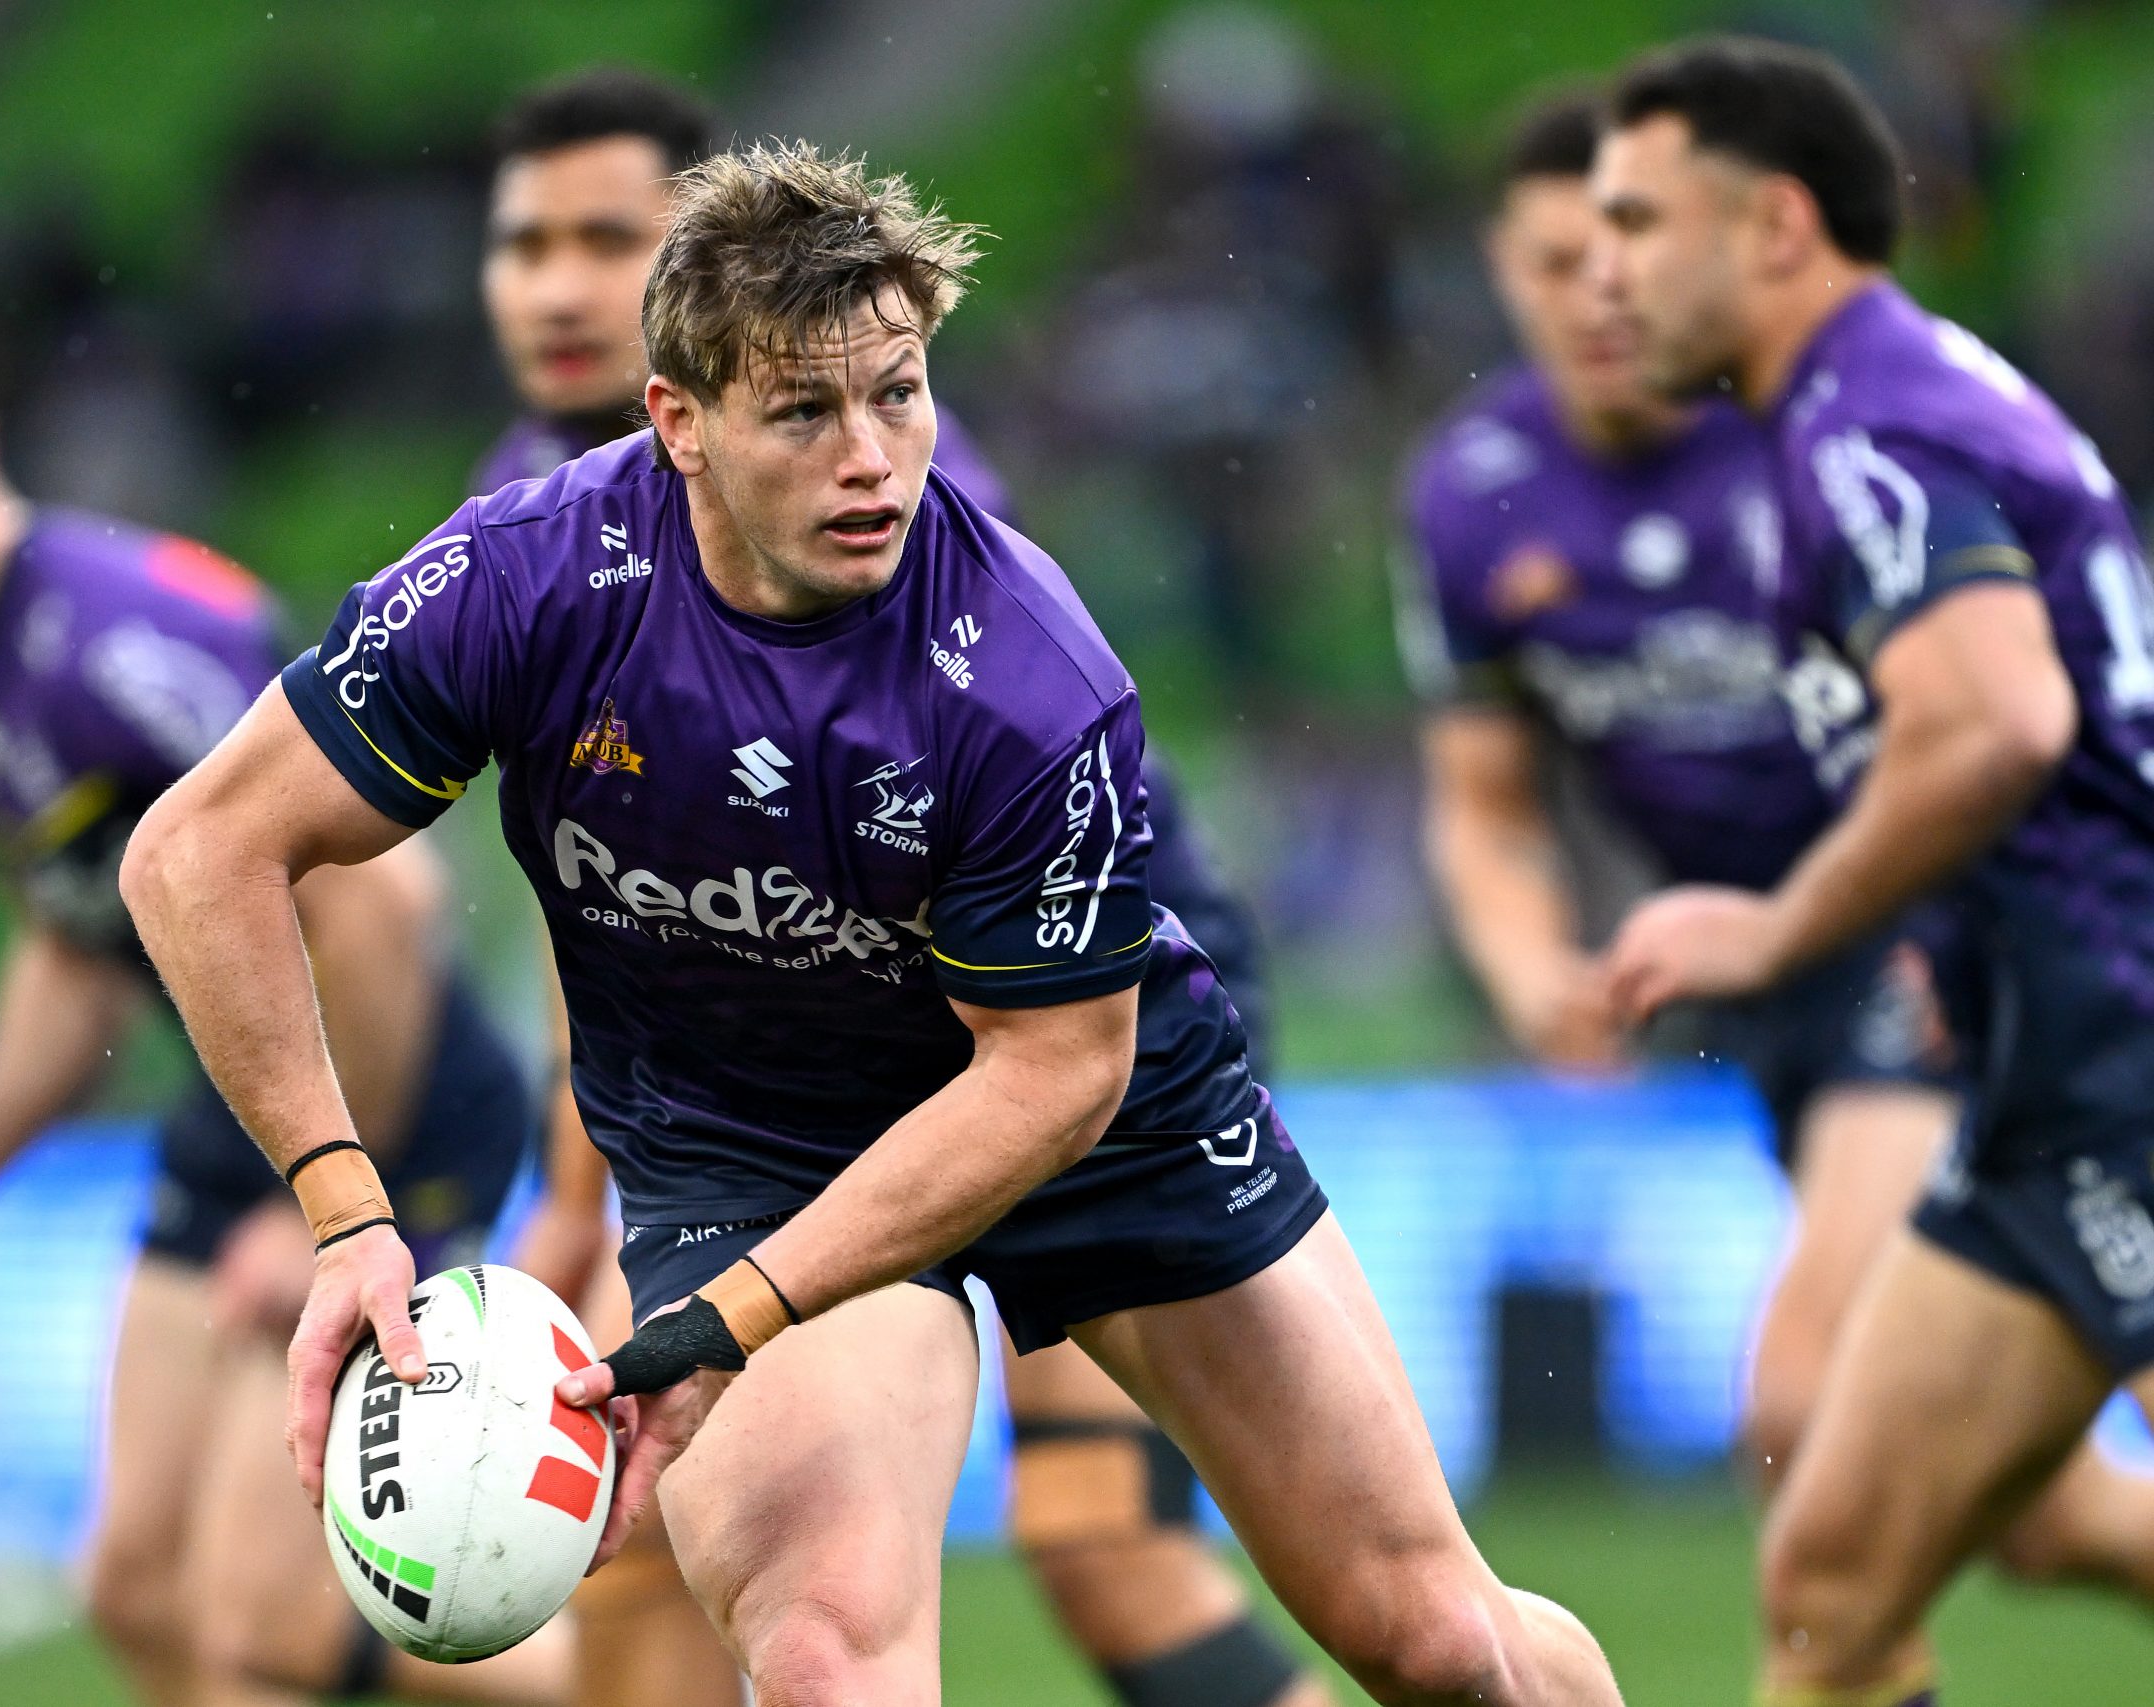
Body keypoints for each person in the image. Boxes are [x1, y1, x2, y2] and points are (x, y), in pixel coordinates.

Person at [124, 139, 1622, 1707]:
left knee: (1441, 1643)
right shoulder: (526, 579)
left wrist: (741, 1315)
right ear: (677, 424)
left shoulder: (1023, 670)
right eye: (804, 410)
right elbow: (194, 855)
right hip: (755, 1139)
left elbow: (1054, 1077)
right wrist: (349, 1215)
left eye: (897, 395)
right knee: (826, 1658)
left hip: (1094, 1113)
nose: (874, 459)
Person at [478, 70, 1318, 1707]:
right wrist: (581, 1203)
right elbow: (614, 879)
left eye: (609, 235)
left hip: (1073, 1015)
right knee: (703, 1564)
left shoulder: (876, 508)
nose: (563, 283)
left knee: (1110, 1548)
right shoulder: (537, 518)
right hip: (818, 1050)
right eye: (525, 243)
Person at [0, 305, 565, 1706]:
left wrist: (323, 1204)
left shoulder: (114, 634)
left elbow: (378, 904)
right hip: (238, 1104)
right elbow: (71, 953)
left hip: (393, 1099)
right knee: (135, 1585)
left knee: (268, 1625)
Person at [1591, 38, 2154, 1706]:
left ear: (1772, 226)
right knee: (1836, 1586)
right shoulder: (1881, 400)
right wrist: (1952, 927)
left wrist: (1785, 923)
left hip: (2130, 1049)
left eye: (1638, 220)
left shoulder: (1870, 426)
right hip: (2055, 1075)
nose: (1602, 268)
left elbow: (1991, 721)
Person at [1401, 89, 1979, 1504]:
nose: (1600, 294)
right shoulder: (1471, 499)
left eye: (1627, 252)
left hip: (1934, 934)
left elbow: (1985, 724)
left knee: (1802, 1398)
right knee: (1990, 1500)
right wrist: (1533, 970)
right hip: (1761, 981)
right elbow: (1486, 803)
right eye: (1556, 263)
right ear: (1500, 269)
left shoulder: (1827, 444)